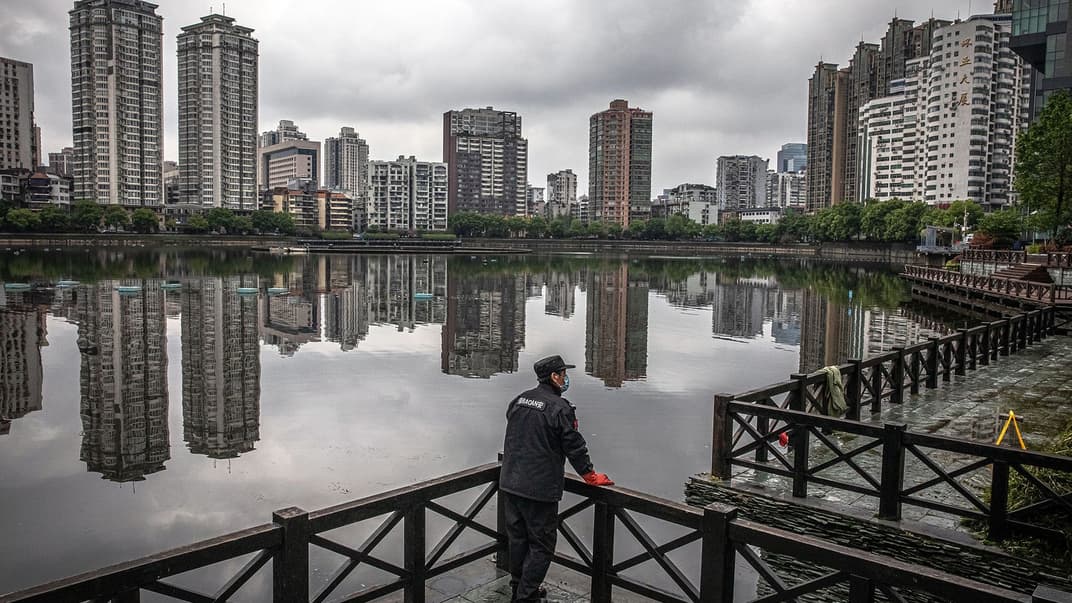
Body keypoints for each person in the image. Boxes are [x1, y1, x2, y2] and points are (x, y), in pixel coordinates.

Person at [499, 355, 613, 602]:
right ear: (554, 377)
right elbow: (574, 446)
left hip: (510, 482)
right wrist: (590, 475)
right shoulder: (560, 408)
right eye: (563, 374)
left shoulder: (519, 400)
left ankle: (519, 585)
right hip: (539, 489)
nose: (565, 378)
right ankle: (526, 596)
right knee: (542, 545)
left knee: (518, 539)